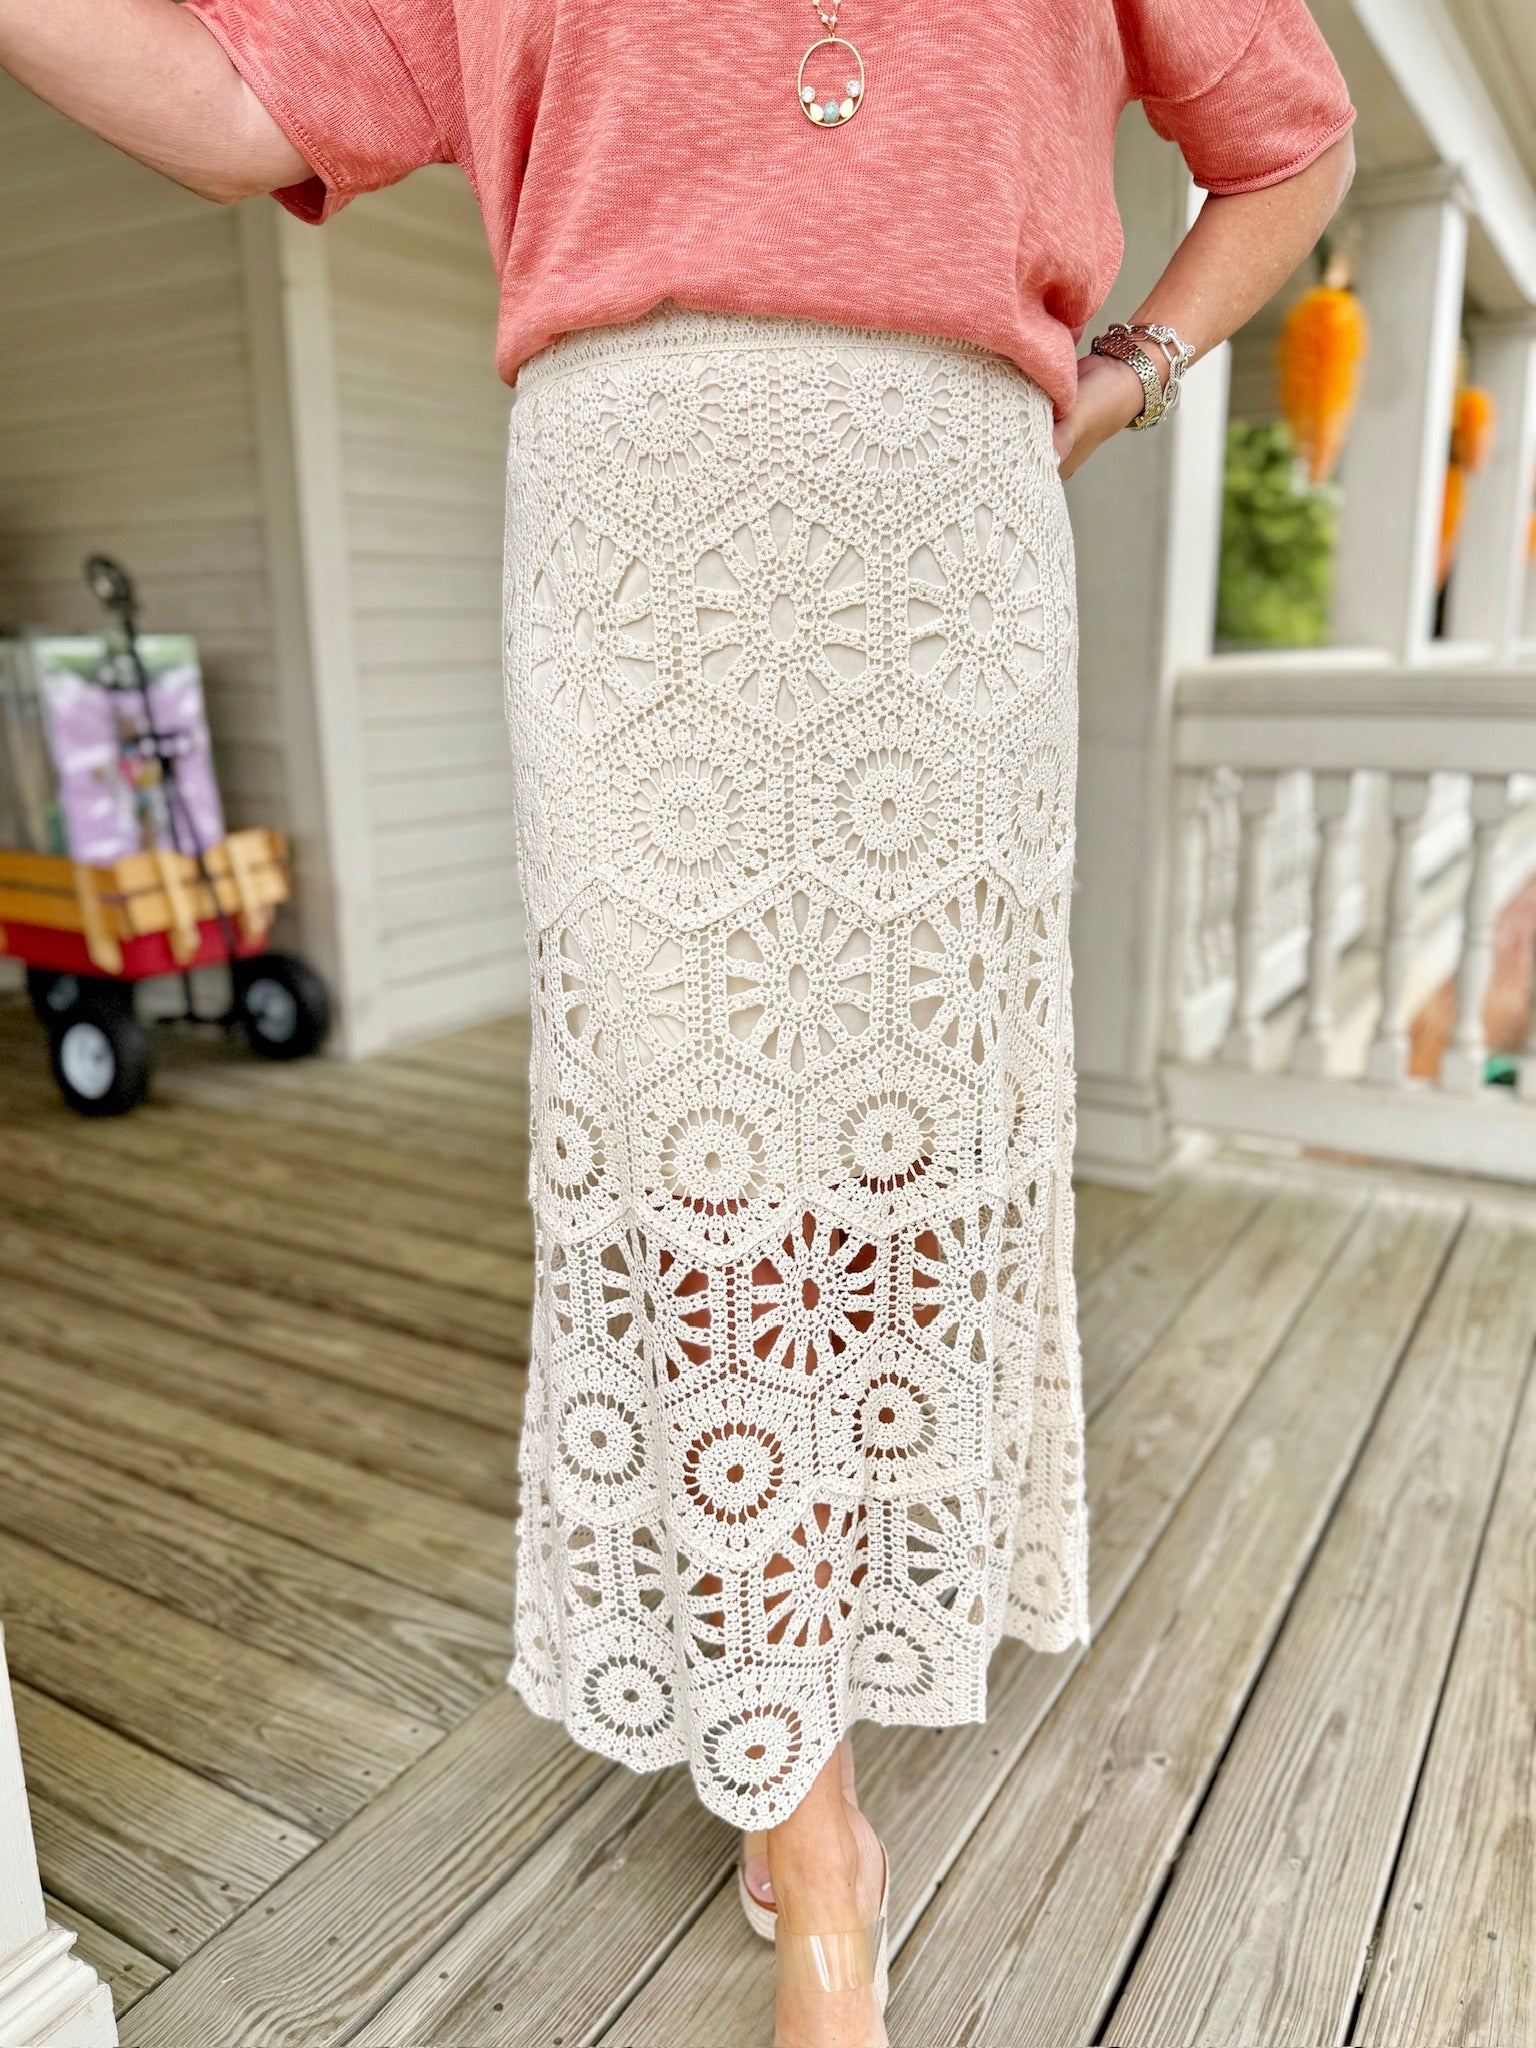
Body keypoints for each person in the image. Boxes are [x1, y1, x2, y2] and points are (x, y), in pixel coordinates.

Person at [1, 4, 1354, 2041]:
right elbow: (234, 102)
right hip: (637, 546)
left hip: (946, 544)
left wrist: (1135, 369)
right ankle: (816, 1838)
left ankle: (810, 1705)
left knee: (901, 1165)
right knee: (697, 1170)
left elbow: (1292, 146)